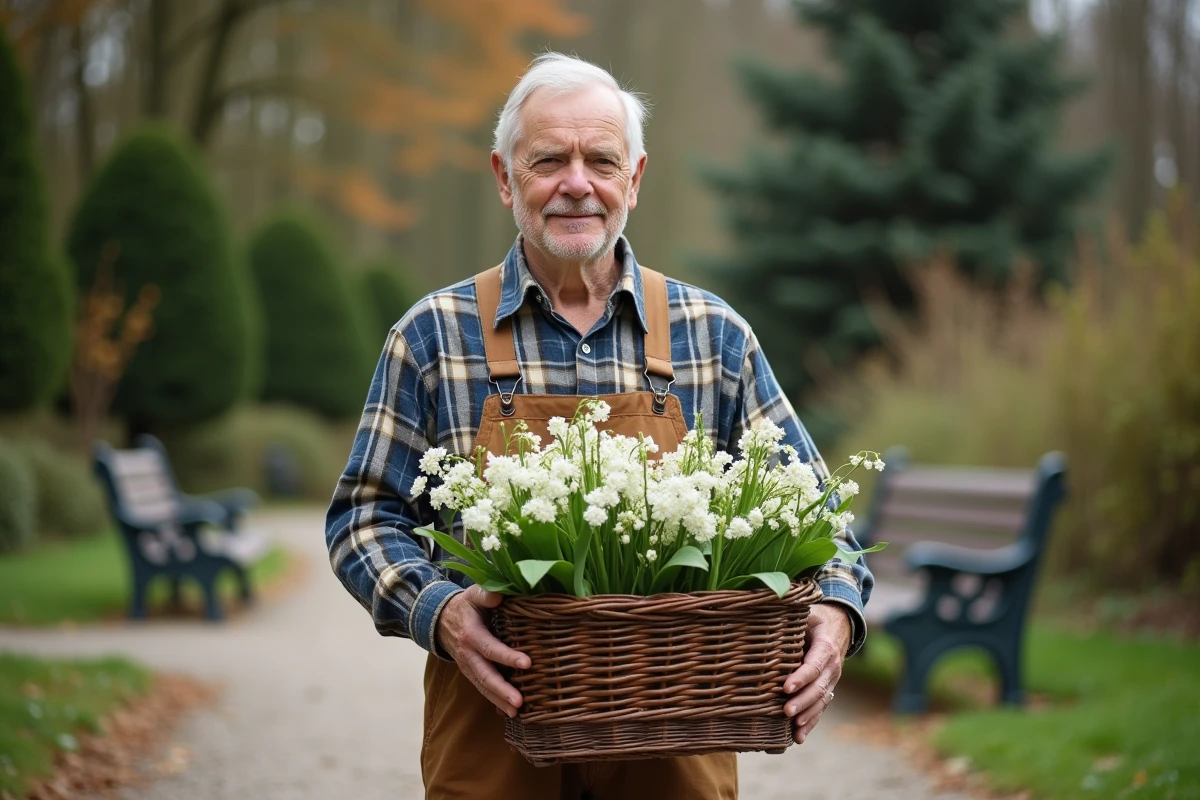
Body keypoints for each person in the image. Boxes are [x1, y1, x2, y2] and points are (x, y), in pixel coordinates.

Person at [326, 52, 874, 800]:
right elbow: (362, 515)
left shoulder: (712, 336)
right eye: (549, 159)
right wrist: (439, 610)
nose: (576, 183)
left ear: (635, 179)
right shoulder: (433, 335)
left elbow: (819, 513)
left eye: (601, 160)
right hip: (492, 721)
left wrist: (836, 615)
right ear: (503, 176)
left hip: (678, 732)